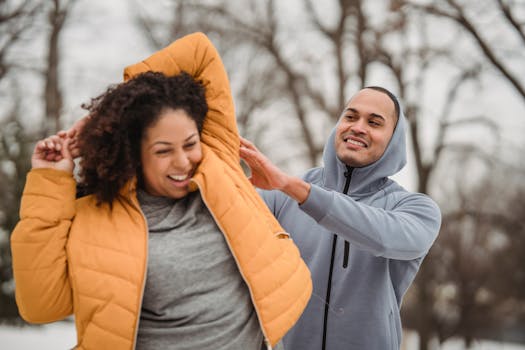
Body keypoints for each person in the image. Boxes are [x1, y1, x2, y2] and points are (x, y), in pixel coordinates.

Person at [10, 32, 311, 350]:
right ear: (134, 154)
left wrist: (112, 111)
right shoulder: (97, 215)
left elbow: (198, 51)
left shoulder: (217, 158)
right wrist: (50, 180)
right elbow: (40, 305)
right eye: (163, 151)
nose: (184, 161)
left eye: (190, 144)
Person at [240, 86, 442, 350]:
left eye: (374, 122)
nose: (358, 127)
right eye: (350, 117)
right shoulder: (280, 195)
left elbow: (382, 236)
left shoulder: (415, 209)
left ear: (393, 139)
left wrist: (298, 191)